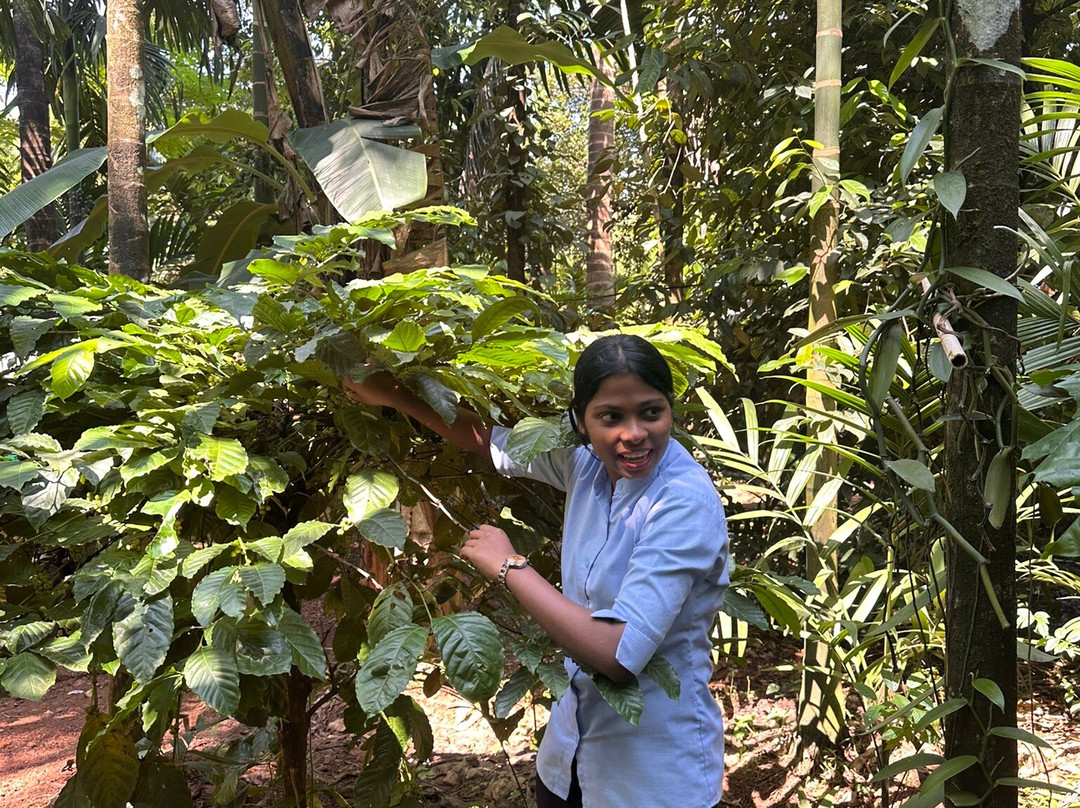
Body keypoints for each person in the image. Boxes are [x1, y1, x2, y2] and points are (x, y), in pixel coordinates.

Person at [343, 334, 729, 808]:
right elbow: (490, 442)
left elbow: (617, 652)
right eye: (611, 416)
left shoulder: (683, 501)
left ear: (670, 410)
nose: (633, 433)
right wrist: (391, 393)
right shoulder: (586, 465)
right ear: (581, 422)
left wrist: (509, 566)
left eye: (651, 412)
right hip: (567, 761)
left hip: (652, 776)